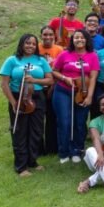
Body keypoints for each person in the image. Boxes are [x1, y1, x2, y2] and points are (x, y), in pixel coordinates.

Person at [0, 34, 54, 176]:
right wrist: (13, 102)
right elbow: (4, 84)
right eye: (27, 43)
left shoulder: (41, 60)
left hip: (37, 97)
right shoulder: (12, 60)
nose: (30, 46)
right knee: (20, 131)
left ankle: (32, 161)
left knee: (36, 131)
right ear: (22, 44)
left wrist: (35, 80)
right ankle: (21, 166)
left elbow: (50, 80)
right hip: (19, 97)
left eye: (33, 44)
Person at [52, 29, 99, 164]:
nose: (79, 40)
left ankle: (77, 150)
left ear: (86, 40)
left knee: (79, 122)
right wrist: (64, 78)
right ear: (72, 40)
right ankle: (64, 151)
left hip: (83, 93)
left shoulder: (92, 56)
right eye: (76, 37)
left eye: (82, 37)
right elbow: (54, 71)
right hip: (63, 91)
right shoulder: (64, 54)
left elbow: (93, 78)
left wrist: (89, 96)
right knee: (64, 121)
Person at [38, 25, 63, 155]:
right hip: (37, 86)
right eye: (45, 35)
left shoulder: (59, 50)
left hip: (54, 86)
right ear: (41, 36)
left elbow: (61, 69)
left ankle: (52, 147)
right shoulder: (35, 48)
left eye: (50, 35)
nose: (47, 37)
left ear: (54, 36)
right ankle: (38, 148)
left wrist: (52, 87)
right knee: (38, 118)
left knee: (52, 117)